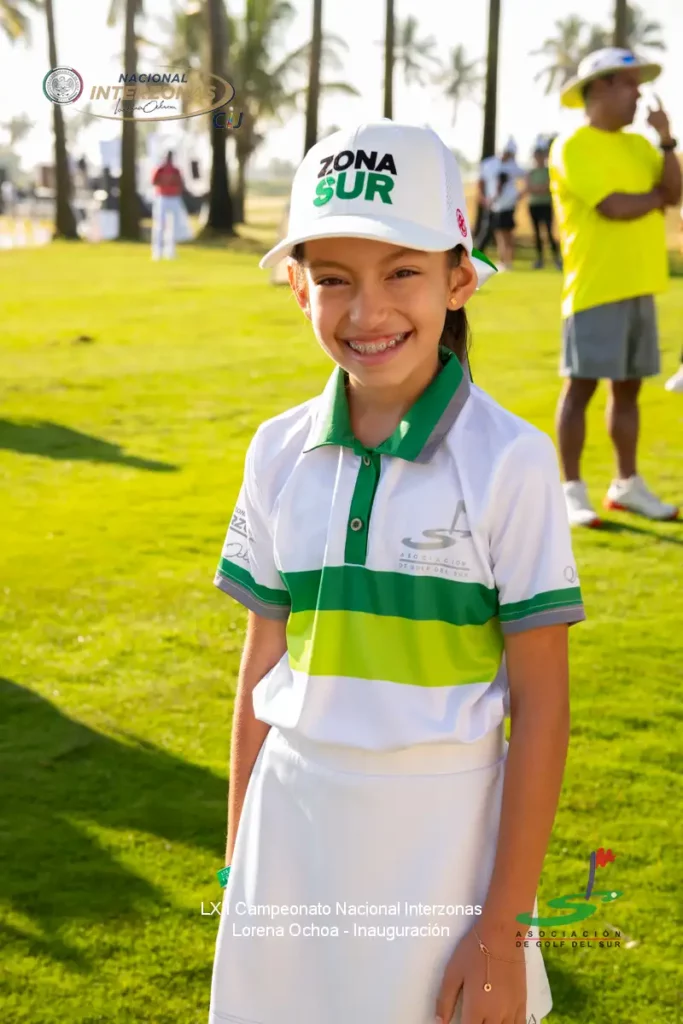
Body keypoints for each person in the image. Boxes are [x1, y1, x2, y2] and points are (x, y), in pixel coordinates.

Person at [208, 119, 586, 1024]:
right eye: (334, 278)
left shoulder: (511, 461)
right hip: (288, 831)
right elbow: (263, 667)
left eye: (402, 272)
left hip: (441, 845)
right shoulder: (275, 453)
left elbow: (542, 706)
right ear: (296, 285)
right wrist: (237, 862)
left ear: (460, 279)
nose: (366, 312)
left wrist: (503, 930)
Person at [549, 48, 681, 526]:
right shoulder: (573, 145)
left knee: (628, 392)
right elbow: (615, 207)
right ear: (601, 87)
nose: (639, 94)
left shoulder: (641, 146)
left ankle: (626, 485)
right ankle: (571, 490)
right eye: (629, 84)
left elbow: (674, 193)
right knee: (580, 390)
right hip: (595, 288)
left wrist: (666, 141)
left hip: (639, 285)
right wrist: (654, 197)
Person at [477, 138, 525, 269]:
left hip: (508, 205)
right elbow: (481, 181)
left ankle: (507, 261)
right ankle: (503, 260)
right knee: (498, 233)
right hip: (494, 205)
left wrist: (519, 195)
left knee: (506, 233)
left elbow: (527, 177)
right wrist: (483, 198)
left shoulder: (513, 166)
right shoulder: (489, 164)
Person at [526, 140, 562, 270]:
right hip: (534, 205)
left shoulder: (549, 171)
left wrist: (540, 188)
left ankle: (557, 259)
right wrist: (540, 188)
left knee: (549, 232)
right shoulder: (531, 172)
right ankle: (539, 259)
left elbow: (550, 186)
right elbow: (529, 187)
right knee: (537, 233)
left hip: (546, 205)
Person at [150, 150, 185, 260]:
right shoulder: (160, 169)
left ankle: (171, 252)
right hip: (162, 197)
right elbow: (154, 182)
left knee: (173, 226)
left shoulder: (176, 170)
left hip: (173, 197)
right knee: (160, 225)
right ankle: (157, 251)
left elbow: (180, 183)